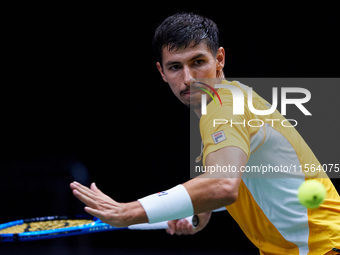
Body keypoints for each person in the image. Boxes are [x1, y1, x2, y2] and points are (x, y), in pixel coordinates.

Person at [70, 13, 340, 254]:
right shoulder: (228, 102)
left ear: (219, 59)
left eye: (198, 61)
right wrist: (197, 212)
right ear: (161, 72)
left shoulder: (225, 108)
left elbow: (222, 185)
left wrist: (127, 212)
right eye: (175, 67)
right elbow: (243, 180)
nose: (188, 78)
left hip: (322, 248)